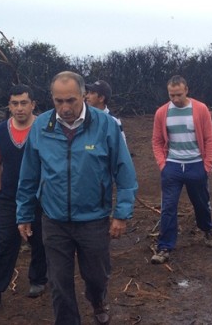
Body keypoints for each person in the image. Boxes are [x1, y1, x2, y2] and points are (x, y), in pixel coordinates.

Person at [16, 71, 137, 325]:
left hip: (93, 218)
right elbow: (28, 175)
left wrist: (122, 213)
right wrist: (24, 214)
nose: (64, 107)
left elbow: (124, 171)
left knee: (96, 276)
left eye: (70, 100)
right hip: (54, 219)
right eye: (58, 101)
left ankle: (98, 299)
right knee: (59, 282)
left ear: (83, 95)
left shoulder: (106, 126)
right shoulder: (41, 127)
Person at [0, 84, 47, 307]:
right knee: (4, 241)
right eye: (15, 103)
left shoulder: (45, 128)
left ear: (33, 104)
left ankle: (38, 279)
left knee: (40, 239)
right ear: (9, 106)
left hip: (39, 196)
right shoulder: (0, 131)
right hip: (8, 196)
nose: (19, 108)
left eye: (24, 103)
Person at [150, 75, 212, 264]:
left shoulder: (200, 109)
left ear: (186, 90)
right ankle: (164, 247)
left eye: (179, 94)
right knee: (168, 207)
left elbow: (209, 139)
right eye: (172, 95)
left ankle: (207, 229)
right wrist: (163, 164)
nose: (175, 99)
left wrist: (207, 166)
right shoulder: (162, 112)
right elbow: (157, 140)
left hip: (196, 165)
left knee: (201, 204)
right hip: (172, 166)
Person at [85, 79, 127, 144]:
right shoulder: (83, 118)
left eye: (92, 93)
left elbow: (122, 148)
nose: (87, 96)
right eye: (88, 92)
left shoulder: (113, 122)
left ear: (101, 98)